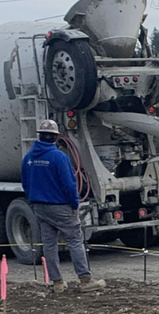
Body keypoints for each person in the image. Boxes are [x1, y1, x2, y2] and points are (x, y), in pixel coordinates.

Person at [20, 119, 105, 293]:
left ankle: (57, 282)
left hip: (39, 206)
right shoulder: (58, 157)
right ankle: (85, 280)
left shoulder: (29, 158)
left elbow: (26, 183)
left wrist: (33, 200)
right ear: (56, 137)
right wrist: (74, 204)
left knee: (49, 244)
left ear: (40, 136)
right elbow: (69, 184)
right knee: (74, 240)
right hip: (59, 206)